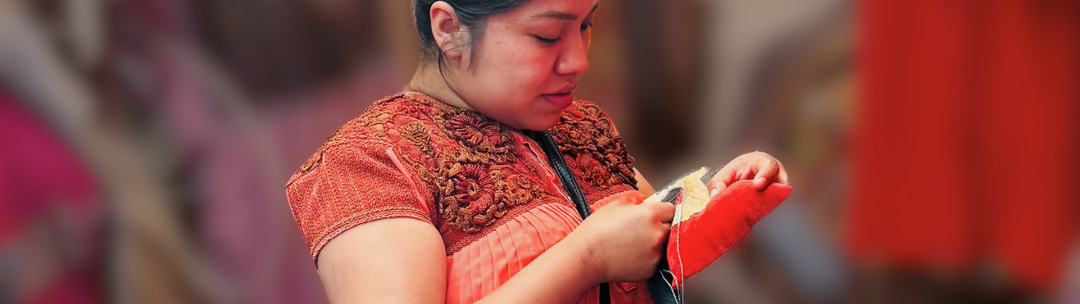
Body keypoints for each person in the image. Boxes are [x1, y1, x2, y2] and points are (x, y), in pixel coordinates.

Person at [284, 0, 789, 303]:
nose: (579, 61)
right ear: (449, 29)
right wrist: (586, 258)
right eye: (547, 36)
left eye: (586, 25)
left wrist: (715, 195)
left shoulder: (584, 127)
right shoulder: (370, 162)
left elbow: (653, 250)